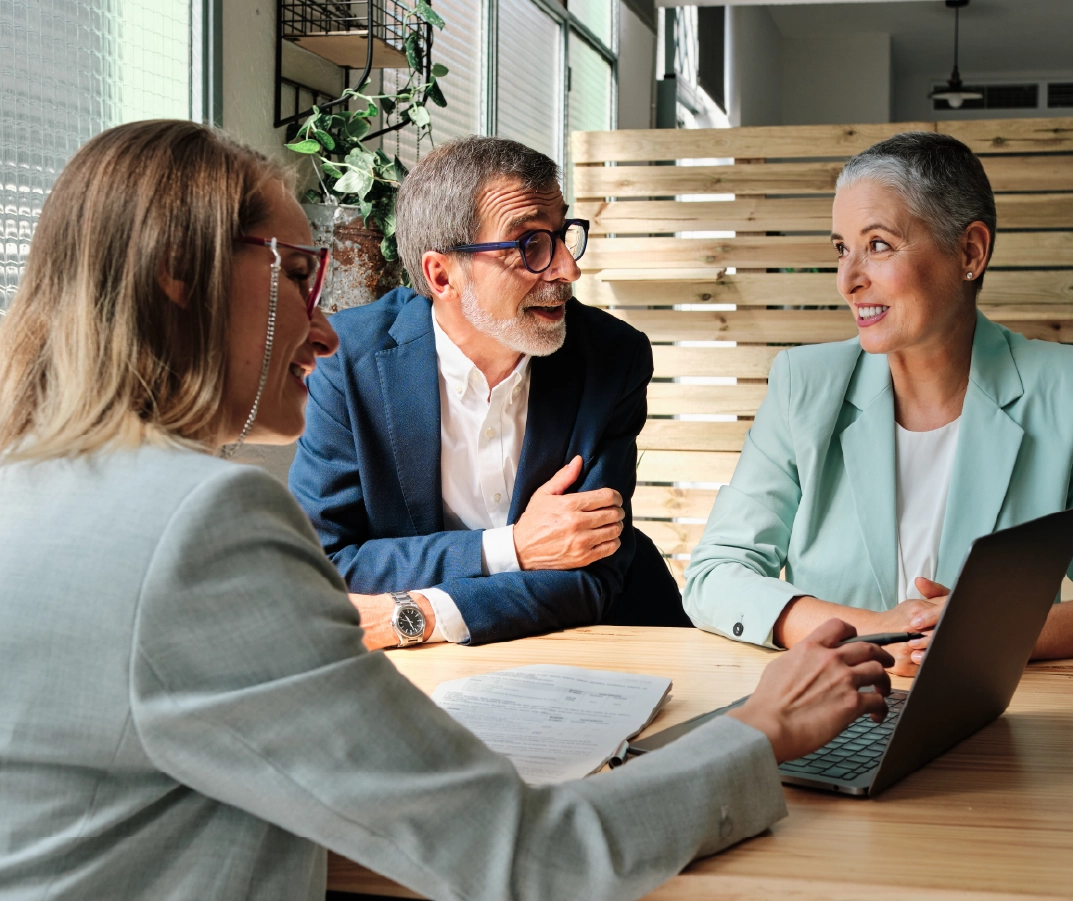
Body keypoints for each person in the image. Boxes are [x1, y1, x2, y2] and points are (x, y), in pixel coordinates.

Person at [0, 120, 894, 901]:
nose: (321, 328)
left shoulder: (30, 488)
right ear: (178, 276)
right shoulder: (199, 522)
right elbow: (524, 857)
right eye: (301, 274)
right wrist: (759, 728)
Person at [684, 131, 1073, 676]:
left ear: (970, 251)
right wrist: (871, 632)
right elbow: (716, 574)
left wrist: (993, 630)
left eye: (878, 245)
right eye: (841, 248)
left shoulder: (1070, 389)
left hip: (1003, 720)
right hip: (839, 714)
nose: (848, 280)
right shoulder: (801, 386)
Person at [289, 136, 687, 650]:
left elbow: (593, 570)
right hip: (424, 670)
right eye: (530, 246)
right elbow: (324, 564)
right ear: (441, 274)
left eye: (563, 235)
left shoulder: (612, 358)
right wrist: (512, 548)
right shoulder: (346, 362)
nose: (568, 269)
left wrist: (423, 613)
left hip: (603, 640)